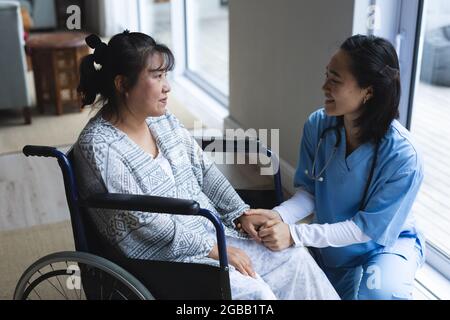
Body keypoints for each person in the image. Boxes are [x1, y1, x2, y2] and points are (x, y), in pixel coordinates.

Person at [73, 31, 339, 300]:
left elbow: (206, 172)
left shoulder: (161, 121)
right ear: (122, 84)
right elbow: (145, 223)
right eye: (156, 76)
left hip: (210, 233)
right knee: (255, 295)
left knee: (293, 258)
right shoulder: (99, 146)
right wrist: (214, 249)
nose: (167, 86)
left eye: (166, 75)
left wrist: (239, 213)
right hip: (162, 260)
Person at [241, 35, 425, 300]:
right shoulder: (318, 125)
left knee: (380, 293)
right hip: (335, 243)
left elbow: (366, 229)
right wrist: (277, 217)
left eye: (335, 80)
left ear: (368, 91)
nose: (324, 86)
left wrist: (294, 233)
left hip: (386, 242)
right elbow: (310, 192)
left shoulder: (404, 157)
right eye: (327, 75)